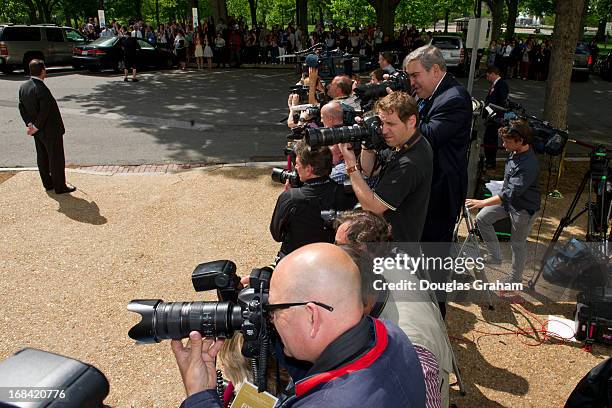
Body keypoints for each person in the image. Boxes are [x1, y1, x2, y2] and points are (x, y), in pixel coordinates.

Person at [172, 243, 426, 408]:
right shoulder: (390, 335)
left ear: (312, 316)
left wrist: (199, 395)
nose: (270, 319)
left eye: (274, 312)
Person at [334, 210, 453, 408]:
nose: (333, 251)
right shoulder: (390, 264)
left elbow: (425, 399)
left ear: (362, 249)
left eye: (339, 246)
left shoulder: (409, 342)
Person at [403, 45, 472, 317]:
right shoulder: (429, 93)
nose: (412, 82)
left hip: (441, 194)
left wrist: (398, 117)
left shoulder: (454, 97)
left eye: (415, 75)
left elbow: (428, 134)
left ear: (435, 70)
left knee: (434, 260)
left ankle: (436, 320)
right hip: (426, 189)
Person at [339, 92, 433, 243]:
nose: (383, 130)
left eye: (391, 124)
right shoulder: (407, 142)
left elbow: (372, 207)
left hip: (396, 250)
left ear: (411, 121)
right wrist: (367, 143)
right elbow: (371, 170)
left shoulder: (410, 163)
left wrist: (350, 165)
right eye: (382, 123)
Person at [465, 122, 540, 287]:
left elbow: (509, 193)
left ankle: (515, 278)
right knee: (483, 219)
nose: (503, 145)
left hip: (523, 209)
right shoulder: (515, 151)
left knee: (517, 244)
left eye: (507, 142)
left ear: (520, 141)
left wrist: (482, 202)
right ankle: (495, 256)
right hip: (508, 203)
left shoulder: (528, 165)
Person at [269, 140, 356, 258]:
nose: (295, 167)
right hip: (331, 259)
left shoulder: (291, 198)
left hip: (295, 261)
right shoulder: (347, 194)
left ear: (309, 169)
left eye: (298, 163)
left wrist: (288, 196)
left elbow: (277, 235)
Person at [18, 60, 76, 194]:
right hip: (50, 130)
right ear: (43, 71)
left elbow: (21, 107)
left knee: (42, 157)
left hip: (37, 131)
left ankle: (48, 183)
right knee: (56, 159)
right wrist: (36, 126)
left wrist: (30, 124)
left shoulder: (23, 87)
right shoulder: (41, 88)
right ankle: (60, 186)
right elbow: (45, 111)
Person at [483, 65, 509, 169]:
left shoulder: (501, 84)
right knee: (488, 139)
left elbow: (501, 102)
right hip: (491, 116)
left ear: (493, 74)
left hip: (496, 117)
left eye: (488, 76)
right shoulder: (496, 84)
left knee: (490, 139)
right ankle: (489, 160)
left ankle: (490, 161)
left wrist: (492, 111)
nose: (487, 78)